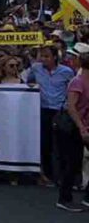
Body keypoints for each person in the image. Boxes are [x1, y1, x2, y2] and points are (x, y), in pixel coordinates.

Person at [26, 45, 75, 187]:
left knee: (62, 145)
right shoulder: (36, 69)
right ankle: (48, 175)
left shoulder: (66, 72)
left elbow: (70, 90)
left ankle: (63, 176)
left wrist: (65, 106)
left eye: (47, 56)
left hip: (60, 111)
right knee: (45, 144)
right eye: (42, 56)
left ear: (55, 57)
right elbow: (29, 82)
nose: (43, 59)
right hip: (43, 110)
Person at [54, 50, 89, 212]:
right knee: (73, 163)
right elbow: (71, 107)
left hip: (85, 126)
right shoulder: (78, 82)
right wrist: (81, 127)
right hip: (75, 128)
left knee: (75, 162)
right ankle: (64, 198)